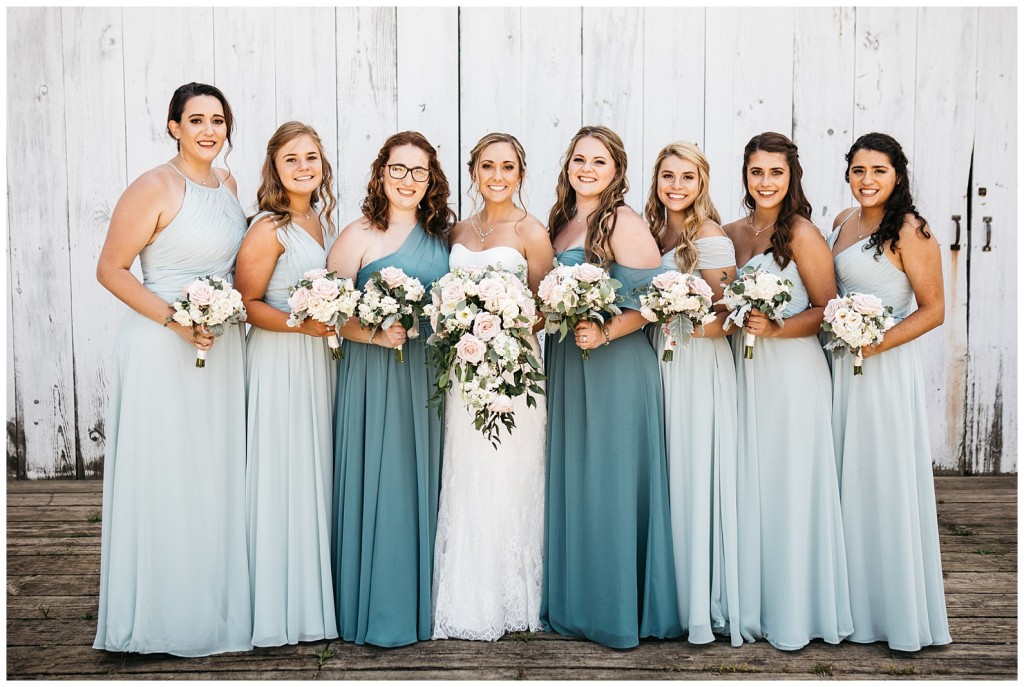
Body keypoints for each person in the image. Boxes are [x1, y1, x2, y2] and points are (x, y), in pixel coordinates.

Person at [93, 82, 251, 656]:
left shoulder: (229, 185)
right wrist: (175, 320)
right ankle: (161, 614)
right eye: (196, 120)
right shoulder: (155, 186)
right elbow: (111, 270)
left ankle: (209, 600)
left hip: (220, 344)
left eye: (218, 120)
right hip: (163, 343)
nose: (209, 130)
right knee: (166, 475)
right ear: (173, 127)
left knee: (212, 474)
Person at [542, 125, 681, 649]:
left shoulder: (621, 220)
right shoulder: (562, 221)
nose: (587, 169)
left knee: (613, 482)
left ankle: (618, 610)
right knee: (579, 478)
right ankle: (578, 604)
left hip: (617, 363)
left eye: (599, 162)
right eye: (580, 159)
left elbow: (655, 300)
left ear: (616, 171)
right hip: (569, 362)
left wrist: (605, 330)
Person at [722, 131, 852, 651]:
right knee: (751, 485)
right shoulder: (731, 232)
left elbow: (828, 309)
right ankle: (751, 602)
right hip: (744, 373)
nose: (766, 181)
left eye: (776, 172)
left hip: (793, 374)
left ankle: (797, 609)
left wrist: (776, 327)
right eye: (757, 171)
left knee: (791, 485)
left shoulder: (801, 233)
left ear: (791, 176)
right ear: (745, 175)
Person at [327, 131, 455, 647]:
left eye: (418, 172)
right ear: (381, 174)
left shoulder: (442, 238)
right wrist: (375, 332)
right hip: (374, 373)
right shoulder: (356, 234)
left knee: (421, 480)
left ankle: (421, 601)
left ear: (431, 182)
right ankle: (375, 607)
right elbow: (326, 313)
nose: (407, 180)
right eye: (398, 169)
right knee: (380, 479)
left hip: (427, 372)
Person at [828, 132, 951, 651]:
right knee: (842, 478)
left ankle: (891, 613)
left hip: (882, 367)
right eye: (858, 170)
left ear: (896, 175)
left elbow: (933, 310)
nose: (867, 180)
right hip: (839, 365)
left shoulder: (911, 230)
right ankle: (845, 602)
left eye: (878, 170)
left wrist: (874, 344)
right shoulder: (841, 223)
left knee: (881, 477)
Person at [431, 133, 554, 641]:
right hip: (466, 370)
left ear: (521, 173)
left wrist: (508, 321)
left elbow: (545, 305)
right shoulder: (460, 229)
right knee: (468, 472)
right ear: (474, 172)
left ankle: (513, 597)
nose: (497, 176)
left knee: (511, 471)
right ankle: (466, 595)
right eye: (487, 166)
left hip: (514, 371)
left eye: (507, 166)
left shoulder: (532, 231)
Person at [235, 121, 340, 647]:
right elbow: (249, 304)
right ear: (275, 168)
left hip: (318, 361)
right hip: (280, 361)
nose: (304, 167)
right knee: (283, 473)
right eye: (292, 159)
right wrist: (303, 323)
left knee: (313, 470)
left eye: (312, 158)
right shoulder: (268, 227)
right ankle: (278, 604)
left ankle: (311, 595)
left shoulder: (320, 221)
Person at [644, 141, 741, 646]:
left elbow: (726, 318)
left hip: (697, 368)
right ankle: (666, 589)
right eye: (667, 176)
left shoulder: (710, 236)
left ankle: (697, 601)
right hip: (659, 364)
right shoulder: (651, 229)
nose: (675, 186)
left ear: (701, 183)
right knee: (665, 474)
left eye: (686, 177)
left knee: (691, 471)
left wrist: (670, 319)